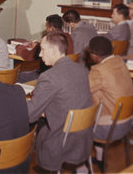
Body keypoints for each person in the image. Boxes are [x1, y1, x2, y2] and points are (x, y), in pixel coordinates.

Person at [27, 32, 92, 172]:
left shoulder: (49, 77)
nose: (39, 55)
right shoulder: (82, 69)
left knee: (31, 126)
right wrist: (49, 109)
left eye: (43, 50)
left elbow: (30, 114)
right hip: (84, 135)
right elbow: (71, 97)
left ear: (54, 50)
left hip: (63, 139)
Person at [87, 36, 133, 168]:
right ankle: (101, 159)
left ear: (94, 55)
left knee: (78, 125)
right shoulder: (119, 61)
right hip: (127, 122)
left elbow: (82, 90)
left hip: (110, 129)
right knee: (98, 96)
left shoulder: (99, 70)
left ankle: (82, 169)